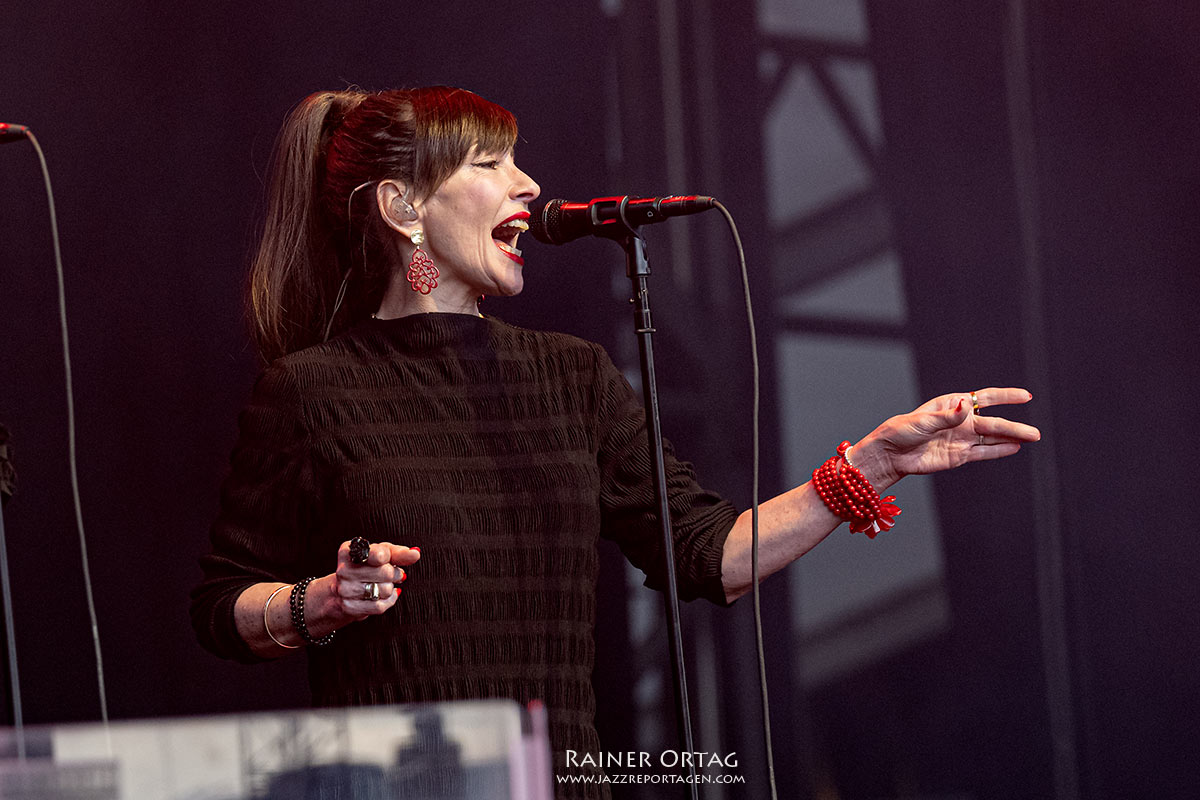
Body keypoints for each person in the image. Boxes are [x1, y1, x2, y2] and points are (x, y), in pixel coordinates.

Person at [190, 86, 1040, 797]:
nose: (526, 184)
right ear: (402, 204)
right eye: (491, 164)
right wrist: (319, 601)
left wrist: (871, 465)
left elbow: (709, 555)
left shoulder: (573, 376)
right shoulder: (312, 389)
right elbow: (221, 607)